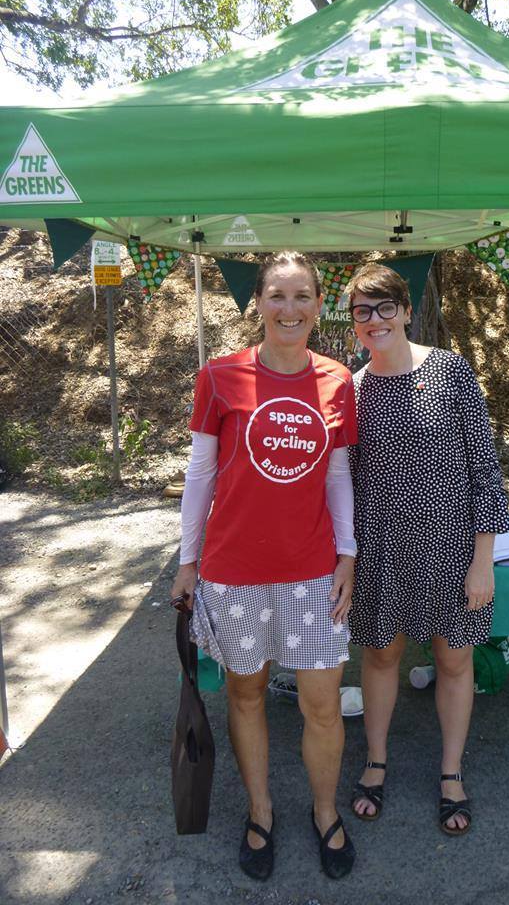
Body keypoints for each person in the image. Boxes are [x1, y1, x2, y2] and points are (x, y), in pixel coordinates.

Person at [170, 253, 357, 881]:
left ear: (319, 305)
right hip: (234, 572)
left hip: (313, 570)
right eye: (277, 295)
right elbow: (200, 476)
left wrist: (348, 555)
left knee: (322, 705)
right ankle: (260, 811)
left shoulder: (337, 381)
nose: (289, 308)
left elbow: (337, 477)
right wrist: (187, 563)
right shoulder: (219, 377)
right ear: (258, 302)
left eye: (302, 296)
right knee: (246, 695)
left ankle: (325, 811)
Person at [346, 264, 509, 837]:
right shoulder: (351, 389)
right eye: (362, 311)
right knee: (380, 657)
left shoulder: (451, 371)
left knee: (454, 661)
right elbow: (340, 482)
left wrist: (483, 561)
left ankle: (450, 772)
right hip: (381, 551)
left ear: (408, 310)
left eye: (385, 307)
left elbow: (485, 471)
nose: (374, 320)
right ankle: (375, 761)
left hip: (451, 550)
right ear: (353, 322)